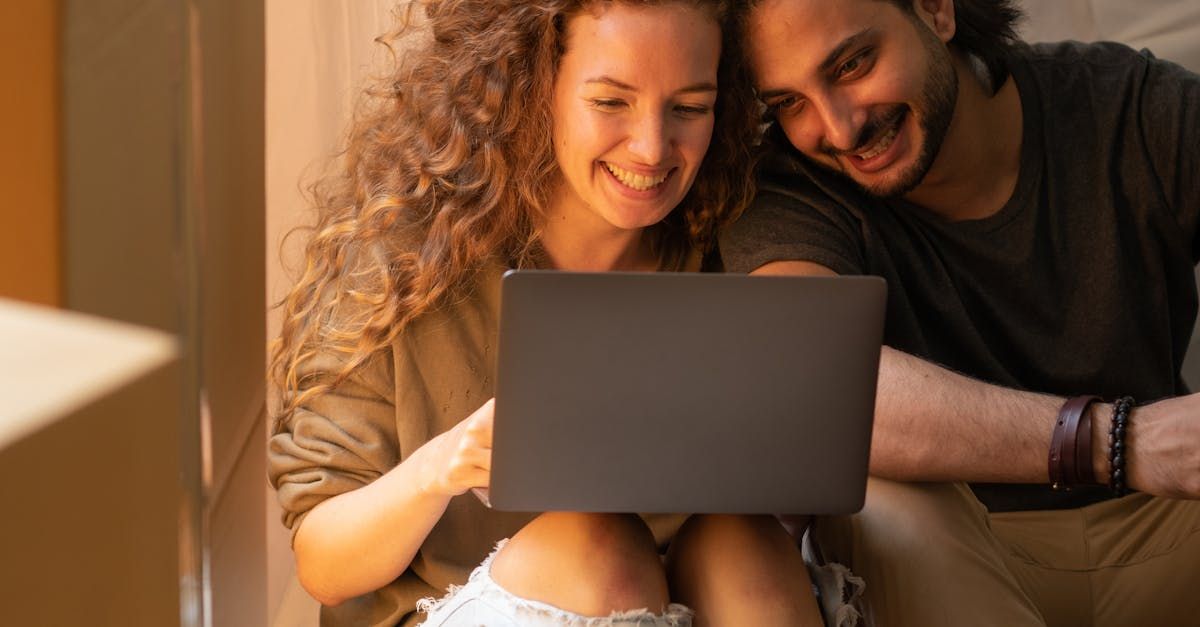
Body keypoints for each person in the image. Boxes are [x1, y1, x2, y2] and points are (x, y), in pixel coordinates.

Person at [268, 1, 831, 626]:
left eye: (690, 108)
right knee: (597, 550)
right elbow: (322, 564)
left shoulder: (734, 244)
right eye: (611, 102)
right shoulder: (408, 256)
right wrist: (441, 467)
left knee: (742, 545)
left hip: (682, 596)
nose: (652, 148)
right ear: (533, 90)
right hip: (455, 607)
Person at [719, 0, 1200, 625]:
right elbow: (812, 385)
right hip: (957, 557)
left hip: (1168, 528)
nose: (837, 130)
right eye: (788, 102)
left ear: (937, 11)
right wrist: (1120, 441)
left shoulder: (1134, 108)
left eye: (853, 63)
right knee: (875, 495)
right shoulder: (786, 190)